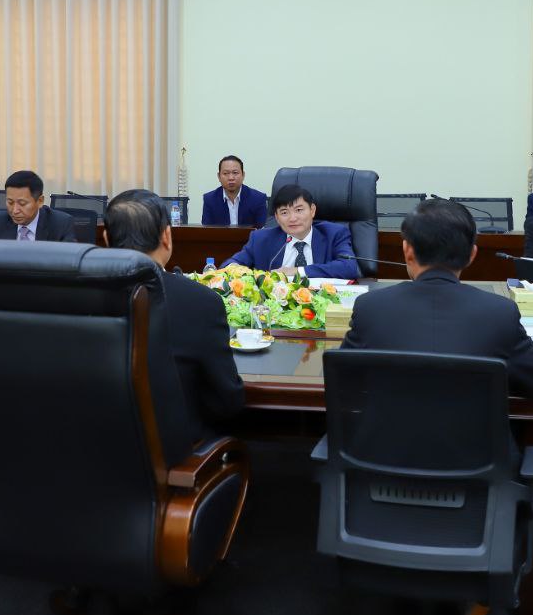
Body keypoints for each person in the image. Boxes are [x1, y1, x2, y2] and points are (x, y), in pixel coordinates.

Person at [344, 198, 533, 399]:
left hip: (387, 428)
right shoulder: (499, 313)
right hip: (473, 428)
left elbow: (342, 378)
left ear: (407, 250)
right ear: (472, 255)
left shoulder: (371, 308)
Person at [103, 189, 244, 440]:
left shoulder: (80, 297)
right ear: (167, 237)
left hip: (93, 446)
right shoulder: (200, 302)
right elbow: (228, 402)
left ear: (106, 239)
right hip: (176, 452)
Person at [223, 184, 360, 279]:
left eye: (299, 210)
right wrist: (236, 270)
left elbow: (349, 267)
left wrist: (297, 271)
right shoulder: (260, 239)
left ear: (312, 210)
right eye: (284, 212)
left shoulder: (334, 234)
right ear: (277, 217)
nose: (292, 218)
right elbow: (230, 265)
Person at [0, 170, 77, 242]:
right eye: (10, 202)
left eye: (22, 204)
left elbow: (68, 261)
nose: (15, 210)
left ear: (40, 201)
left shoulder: (61, 224)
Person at [200, 155, 267, 227]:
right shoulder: (209, 199)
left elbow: (262, 230)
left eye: (235, 173)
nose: (231, 178)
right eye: (226, 173)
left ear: (243, 175)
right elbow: (207, 230)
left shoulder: (258, 199)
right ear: (219, 176)